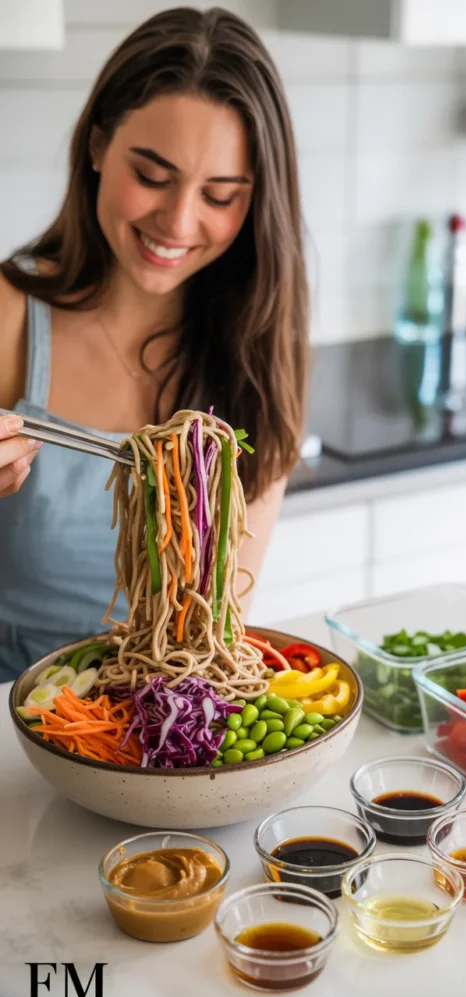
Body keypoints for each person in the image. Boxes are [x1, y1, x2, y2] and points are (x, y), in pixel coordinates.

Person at [0, 6, 308, 683]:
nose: (177, 220)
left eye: (220, 194)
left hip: (168, 723)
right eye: (152, 176)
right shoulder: (10, 315)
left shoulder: (256, 353)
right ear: (97, 146)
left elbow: (224, 620)